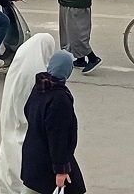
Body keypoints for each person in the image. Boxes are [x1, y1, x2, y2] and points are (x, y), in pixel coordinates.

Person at [0, 33, 56, 194]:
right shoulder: (39, 76)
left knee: (7, 165)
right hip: (27, 133)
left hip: (10, 124)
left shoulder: (17, 68)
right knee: (23, 171)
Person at [20, 51, 87, 194]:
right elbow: (58, 137)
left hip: (33, 156)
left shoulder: (40, 87)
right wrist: (61, 170)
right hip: (49, 161)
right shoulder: (59, 98)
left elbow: (27, 111)